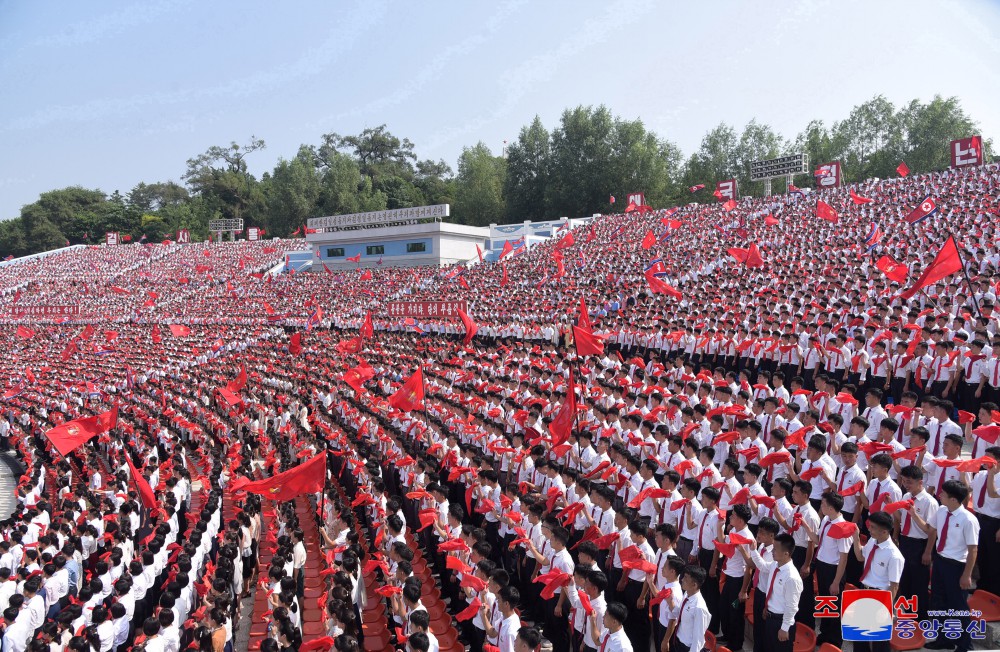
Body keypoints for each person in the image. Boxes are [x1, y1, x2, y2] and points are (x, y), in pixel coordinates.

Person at [926, 480, 979, 652]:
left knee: (958, 607)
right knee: (938, 603)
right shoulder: (942, 511)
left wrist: (967, 574)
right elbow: (930, 529)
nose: (939, 495)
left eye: (943, 494)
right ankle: (943, 639)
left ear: (954, 500)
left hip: (957, 567)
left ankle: (965, 646)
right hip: (940, 561)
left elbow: (973, 550)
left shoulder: (968, 520)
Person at [850, 511, 904, 652]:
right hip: (864, 590)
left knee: (879, 642)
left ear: (885, 531)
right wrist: (856, 538)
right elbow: (861, 557)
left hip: (880, 596)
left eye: (873, 527)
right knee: (859, 636)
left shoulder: (894, 555)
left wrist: (885, 608)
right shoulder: (872, 541)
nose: (869, 529)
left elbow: (894, 585)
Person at [741, 533, 803, 652]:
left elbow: (792, 606)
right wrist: (753, 551)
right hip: (770, 618)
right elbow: (763, 566)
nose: (772, 551)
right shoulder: (775, 564)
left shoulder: (792, 577)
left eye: (775, 549)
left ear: (786, 553)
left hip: (781, 621)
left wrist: (784, 628)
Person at [671, 566, 710, 652]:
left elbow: (698, 638)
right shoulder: (686, 594)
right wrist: (670, 603)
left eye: (686, 578)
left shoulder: (699, 608)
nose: (682, 580)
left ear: (694, 585)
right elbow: (680, 613)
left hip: (687, 648)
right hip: (678, 641)